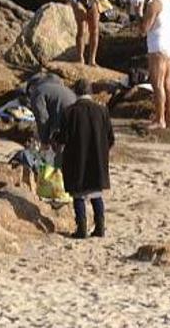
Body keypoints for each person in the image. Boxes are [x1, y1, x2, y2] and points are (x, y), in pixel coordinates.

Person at [56, 79, 114, 239]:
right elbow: (111, 138)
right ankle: (100, 227)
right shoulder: (102, 111)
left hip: (77, 158)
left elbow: (63, 138)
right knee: (96, 193)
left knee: (78, 194)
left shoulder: (69, 112)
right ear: (91, 92)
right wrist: (102, 151)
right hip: (98, 158)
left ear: (76, 92)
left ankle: (81, 228)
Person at [23, 73, 77, 192]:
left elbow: (42, 118)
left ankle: (57, 190)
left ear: (32, 88)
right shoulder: (62, 89)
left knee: (57, 155)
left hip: (64, 123)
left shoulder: (37, 93)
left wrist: (45, 141)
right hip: (77, 120)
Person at [139, 0, 170, 129]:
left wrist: (139, 10)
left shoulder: (154, 5)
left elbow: (143, 29)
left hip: (158, 46)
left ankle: (159, 119)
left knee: (158, 84)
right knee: (169, 83)